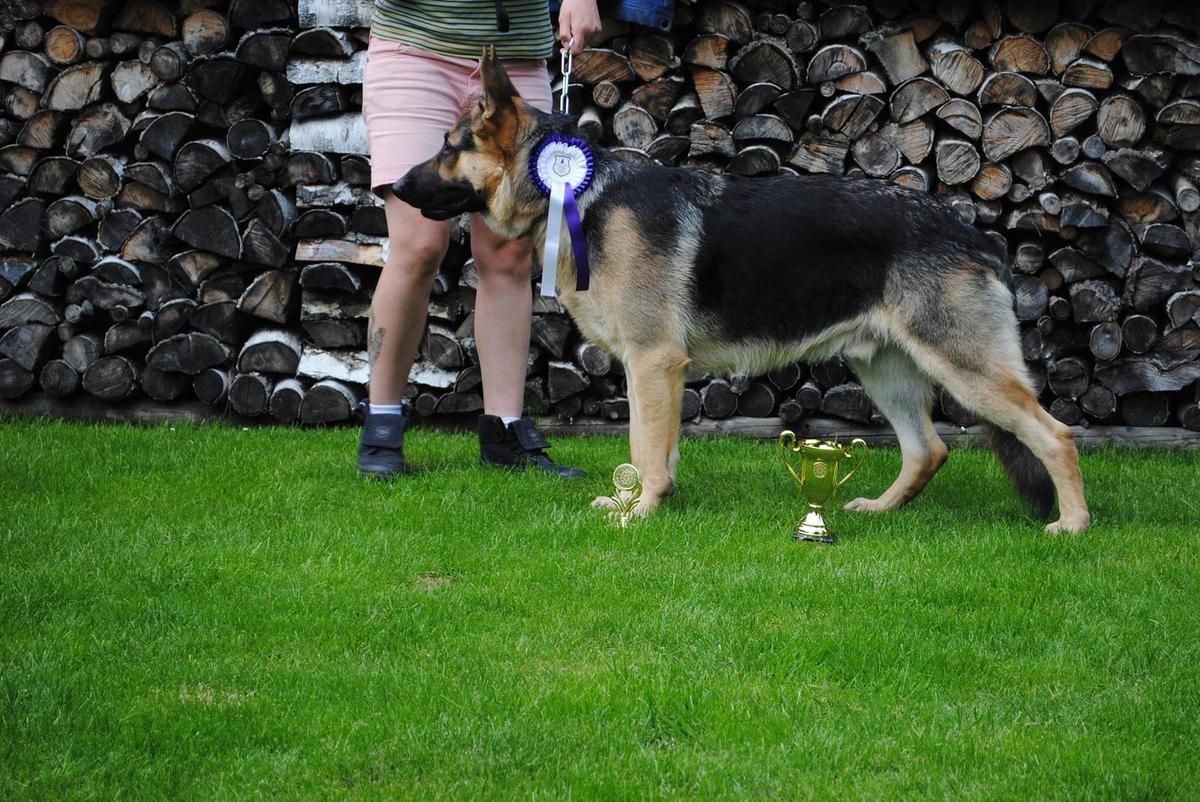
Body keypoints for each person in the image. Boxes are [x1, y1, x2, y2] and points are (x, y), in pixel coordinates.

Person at [359, 0, 601, 479]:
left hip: (516, 64)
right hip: (416, 54)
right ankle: (382, 421)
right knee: (420, 245)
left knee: (510, 254)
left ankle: (506, 433)